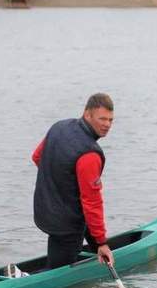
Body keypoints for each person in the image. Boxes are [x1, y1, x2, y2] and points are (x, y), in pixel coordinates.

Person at [31, 92, 116, 271]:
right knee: (57, 272)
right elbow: (91, 202)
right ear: (87, 114)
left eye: (110, 120)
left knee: (85, 227)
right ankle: (22, 279)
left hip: (45, 207)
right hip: (66, 223)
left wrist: (60, 187)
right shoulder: (89, 155)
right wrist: (101, 241)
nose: (107, 125)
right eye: (102, 119)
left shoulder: (59, 127)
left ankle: (97, 249)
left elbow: (38, 157)